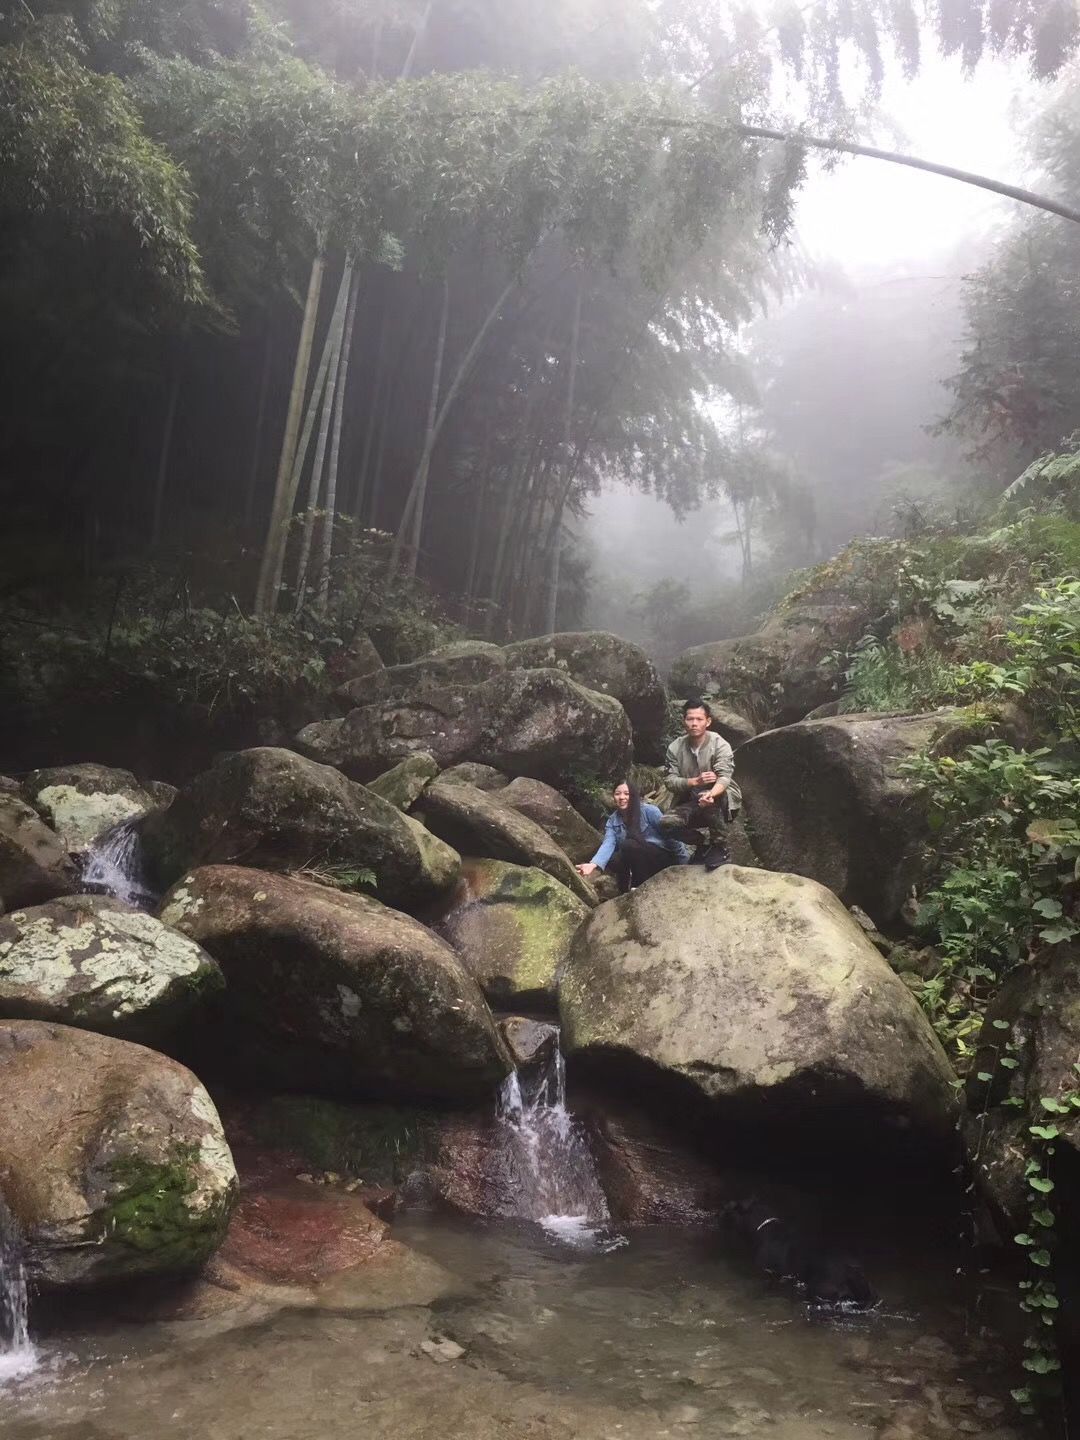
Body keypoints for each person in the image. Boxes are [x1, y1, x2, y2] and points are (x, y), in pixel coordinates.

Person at [659, 697, 742, 870]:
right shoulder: (675, 748)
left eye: (699, 719)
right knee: (666, 825)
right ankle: (703, 845)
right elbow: (669, 781)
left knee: (709, 797)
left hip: (722, 799)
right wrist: (694, 781)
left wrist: (711, 793)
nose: (694, 723)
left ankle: (720, 846)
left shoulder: (719, 744)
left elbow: (724, 777)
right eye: (690, 719)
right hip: (690, 801)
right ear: (684, 721)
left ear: (708, 721)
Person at [576, 779, 689, 893]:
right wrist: (593, 864)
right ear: (613, 797)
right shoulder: (612, 821)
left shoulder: (649, 811)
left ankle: (640, 885)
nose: (622, 797)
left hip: (662, 858)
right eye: (617, 794)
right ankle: (624, 891)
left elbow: (672, 836)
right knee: (615, 858)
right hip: (640, 859)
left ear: (634, 795)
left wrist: (684, 866)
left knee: (628, 845)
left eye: (626, 794)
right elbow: (608, 843)